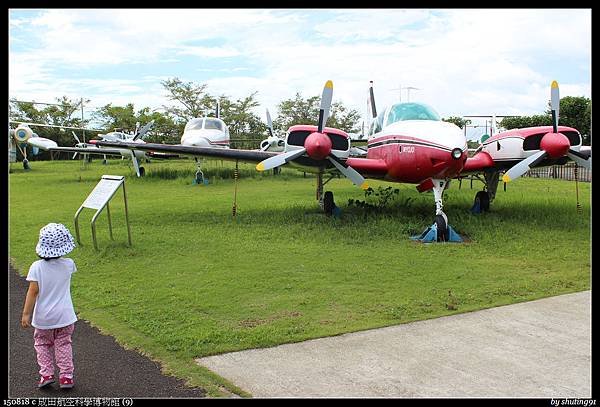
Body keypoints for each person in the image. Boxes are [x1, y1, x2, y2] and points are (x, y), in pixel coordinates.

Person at [21, 223, 78, 389]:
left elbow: (33, 292)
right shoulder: (69, 264)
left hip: (44, 318)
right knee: (64, 344)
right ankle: (66, 377)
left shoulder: (36, 267)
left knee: (42, 344)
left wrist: (26, 314)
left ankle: (46, 374)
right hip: (66, 317)